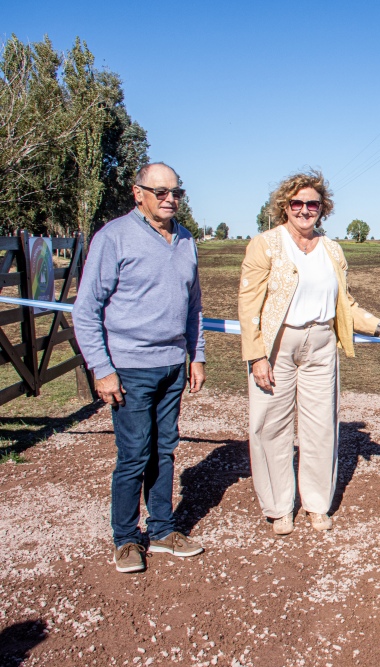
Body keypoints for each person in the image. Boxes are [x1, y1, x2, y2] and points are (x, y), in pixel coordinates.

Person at [238, 171, 380, 536]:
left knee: (320, 428)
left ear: (322, 208)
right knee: (270, 426)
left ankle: (317, 505)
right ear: (285, 206)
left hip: (320, 345)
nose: (305, 210)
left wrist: (379, 325)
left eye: (312, 204)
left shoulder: (332, 249)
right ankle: (280, 507)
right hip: (277, 346)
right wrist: (256, 356)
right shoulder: (265, 244)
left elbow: (344, 303)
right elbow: (248, 304)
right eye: (297, 203)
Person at [74, 162, 207, 574]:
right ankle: (126, 539)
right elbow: (86, 310)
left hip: (172, 366)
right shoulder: (113, 237)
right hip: (129, 368)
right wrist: (102, 369)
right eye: (160, 192)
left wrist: (196, 355)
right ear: (138, 193)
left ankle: (163, 530)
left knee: (164, 449)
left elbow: (194, 306)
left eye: (176, 192)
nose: (170, 199)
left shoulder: (185, 239)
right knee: (134, 454)